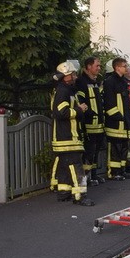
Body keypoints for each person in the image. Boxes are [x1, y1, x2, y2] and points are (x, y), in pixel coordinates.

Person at [50, 60, 94, 206]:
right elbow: (60, 112)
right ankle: (80, 196)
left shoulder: (64, 89)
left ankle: (64, 193)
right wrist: (79, 109)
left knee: (65, 166)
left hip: (64, 137)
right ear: (66, 75)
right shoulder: (64, 91)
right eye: (73, 73)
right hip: (68, 137)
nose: (75, 76)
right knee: (76, 166)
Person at [74, 56, 106, 185]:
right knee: (88, 151)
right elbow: (81, 103)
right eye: (96, 66)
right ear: (88, 66)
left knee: (96, 151)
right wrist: (90, 115)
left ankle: (93, 175)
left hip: (98, 124)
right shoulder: (81, 82)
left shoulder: (95, 82)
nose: (99, 68)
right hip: (89, 124)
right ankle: (86, 177)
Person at [102, 57, 130, 180]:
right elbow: (109, 102)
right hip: (115, 122)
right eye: (124, 66)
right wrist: (118, 117)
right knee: (115, 147)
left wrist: (129, 114)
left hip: (124, 121)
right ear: (117, 67)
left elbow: (127, 101)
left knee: (124, 147)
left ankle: (122, 169)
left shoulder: (123, 82)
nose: (126, 68)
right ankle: (114, 172)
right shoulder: (110, 82)